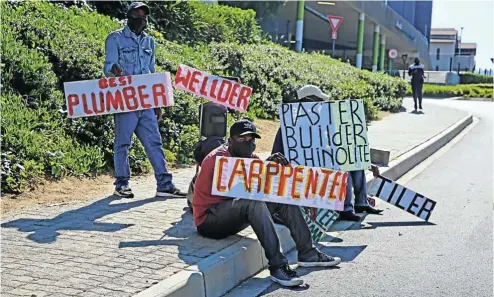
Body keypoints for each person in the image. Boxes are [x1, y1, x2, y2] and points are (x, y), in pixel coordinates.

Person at [193, 119, 341, 287]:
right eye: (242, 139)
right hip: (210, 220)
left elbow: (267, 184)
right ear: (231, 140)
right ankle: (278, 266)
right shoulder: (218, 159)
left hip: (232, 215)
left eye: (251, 139)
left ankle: (308, 252)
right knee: (253, 202)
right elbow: (239, 187)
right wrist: (263, 170)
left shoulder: (249, 157)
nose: (248, 143)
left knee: (281, 197)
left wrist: (305, 198)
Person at [104, 2, 185, 198]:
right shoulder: (115, 38)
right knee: (123, 144)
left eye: (144, 15)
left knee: (154, 142)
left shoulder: (149, 42)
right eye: (137, 14)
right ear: (129, 16)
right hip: (126, 101)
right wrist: (114, 70)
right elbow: (107, 67)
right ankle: (121, 185)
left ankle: (164, 184)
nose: (141, 18)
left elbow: (152, 73)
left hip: (147, 102)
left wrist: (158, 104)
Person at [271, 85, 383, 222]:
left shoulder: (325, 124)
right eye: (319, 100)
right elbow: (276, 155)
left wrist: (368, 164)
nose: (322, 105)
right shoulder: (289, 126)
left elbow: (342, 148)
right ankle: (345, 209)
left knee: (352, 162)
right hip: (303, 172)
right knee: (343, 169)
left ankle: (361, 203)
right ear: (309, 100)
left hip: (326, 165)